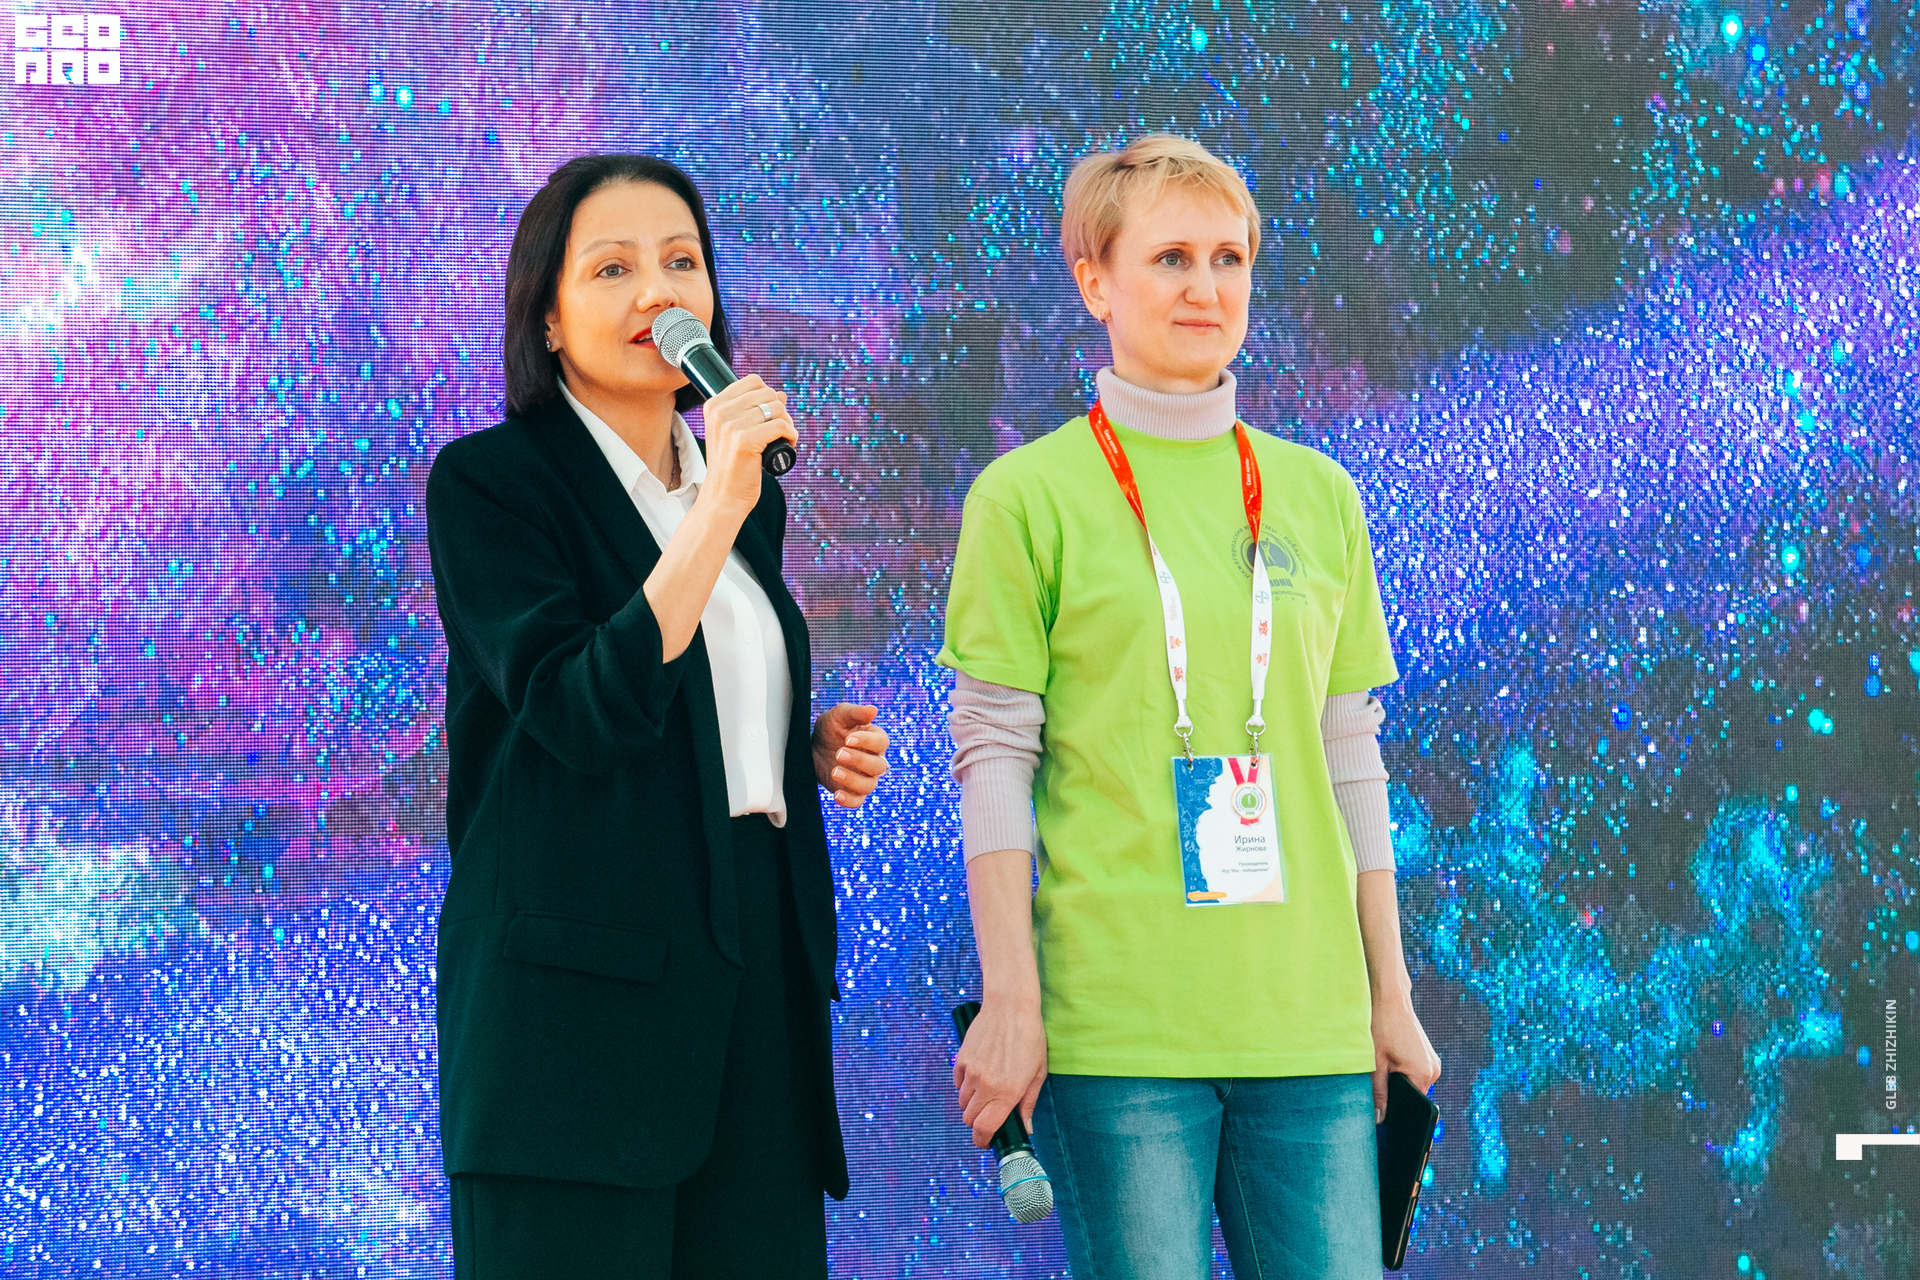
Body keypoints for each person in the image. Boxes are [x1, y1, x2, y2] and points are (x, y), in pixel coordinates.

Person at [939, 134, 1441, 1279]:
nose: (1206, 287)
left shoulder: (1320, 492)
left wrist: (1390, 993)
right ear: (1095, 281)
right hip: (1118, 1033)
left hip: (1308, 1027)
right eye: (1170, 257)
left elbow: (1350, 753)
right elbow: (995, 754)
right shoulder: (1025, 498)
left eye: (1229, 258)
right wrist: (1011, 999)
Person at [425, 153, 891, 1280]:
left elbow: (684, 692)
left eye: (682, 262)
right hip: (575, 1029)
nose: (657, 292)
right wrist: (717, 506)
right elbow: (579, 711)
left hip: (755, 993)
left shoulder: (738, 492)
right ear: (546, 318)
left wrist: (790, 744)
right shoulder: (492, 484)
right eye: (612, 268)